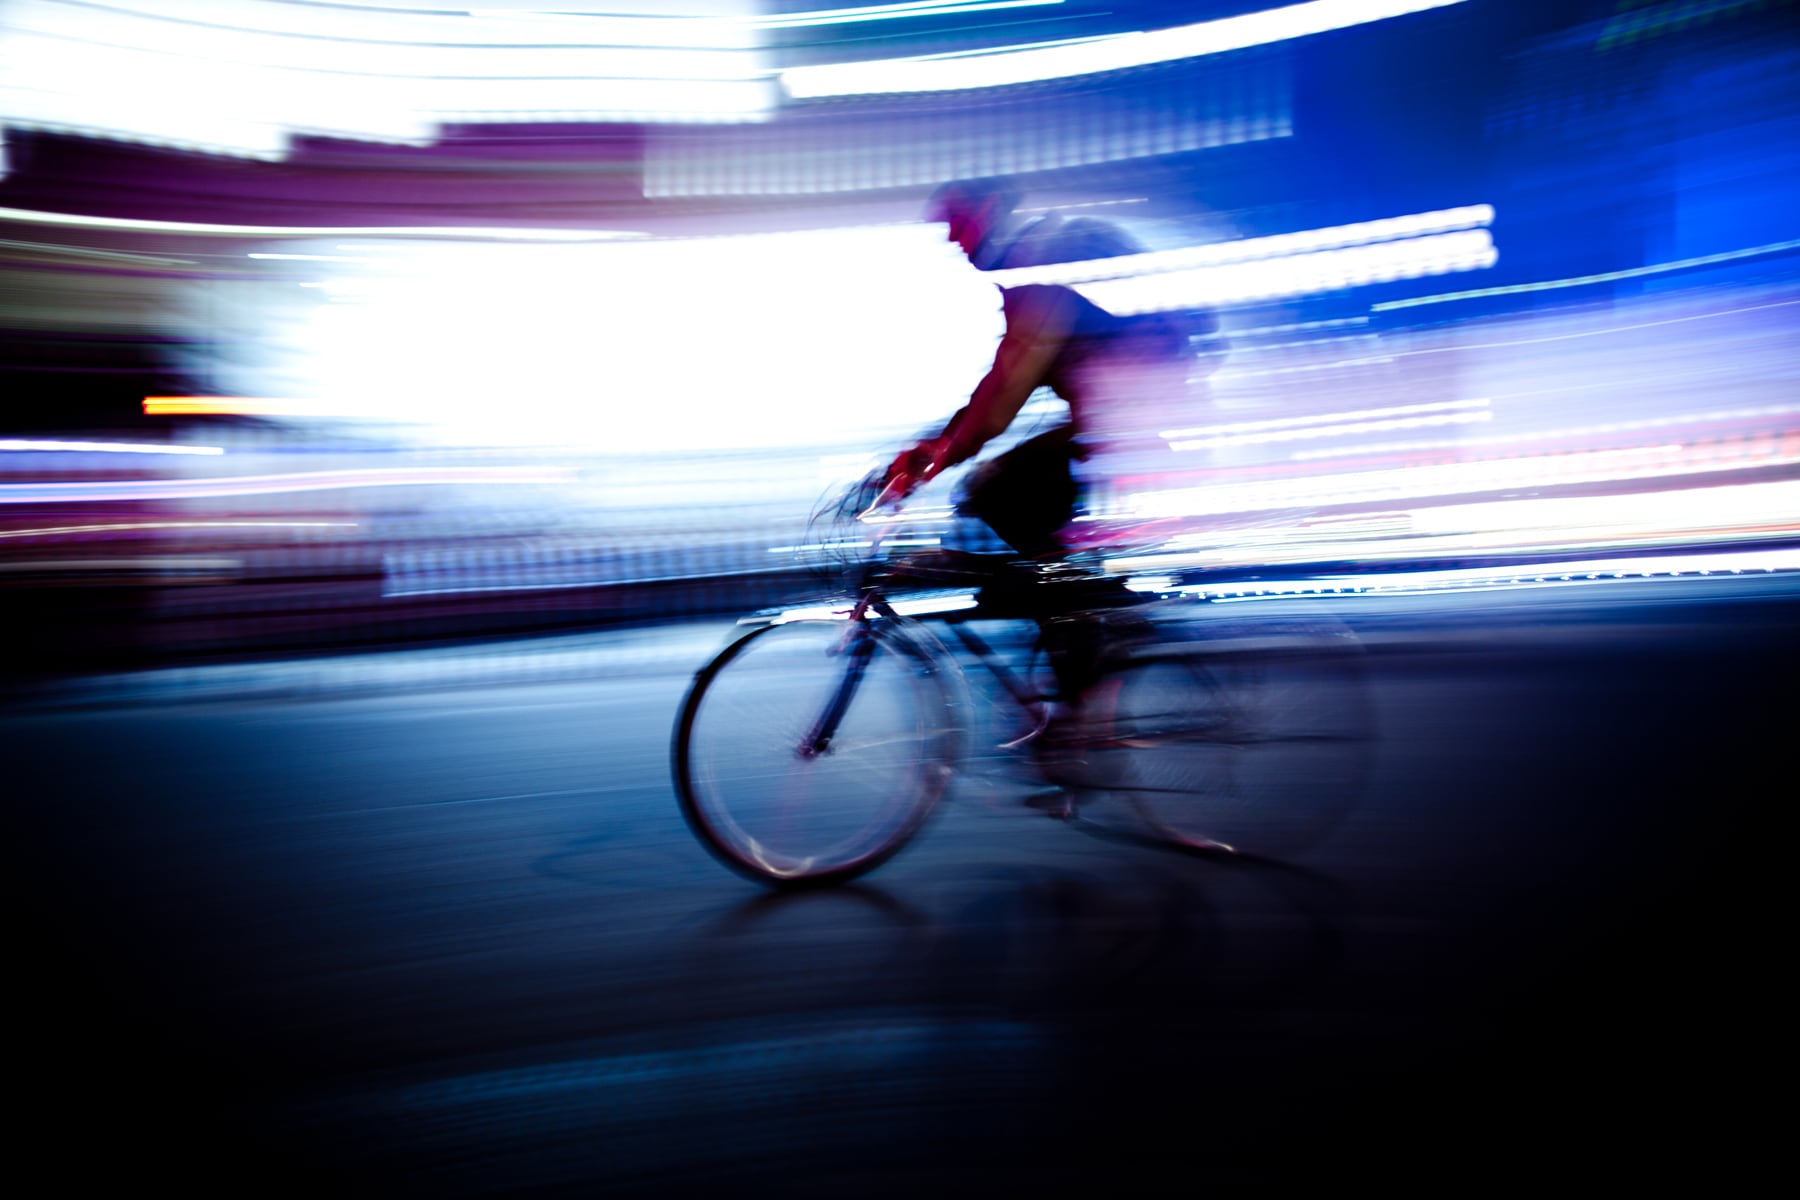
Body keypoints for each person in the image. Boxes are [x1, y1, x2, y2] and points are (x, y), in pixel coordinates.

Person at [883, 177, 1218, 707]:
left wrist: (936, 455)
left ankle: (1093, 663)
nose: (957, 245)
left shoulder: (1039, 266)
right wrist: (937, 446)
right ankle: (1087, 642)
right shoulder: (1032, 269)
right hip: (1125, 409)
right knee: (1024, 536)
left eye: (959, 228)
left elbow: (1007, 387)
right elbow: (1005, 383)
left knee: (1000, 494)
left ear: (991, 212)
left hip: (1129, 411)